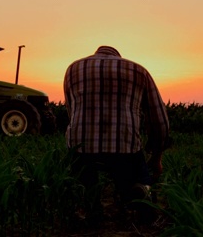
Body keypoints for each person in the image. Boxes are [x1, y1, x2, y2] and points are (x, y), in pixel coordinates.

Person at [63, 45, 170, 222]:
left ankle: (91, 207)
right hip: (124, 147)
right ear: (118, 56)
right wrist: (157, 156)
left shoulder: (73, 69)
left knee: (84, 173)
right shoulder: (138, 70)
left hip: (81, 147)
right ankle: (139, 192)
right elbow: (159, 120)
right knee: (135, 173)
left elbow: (71, 111)